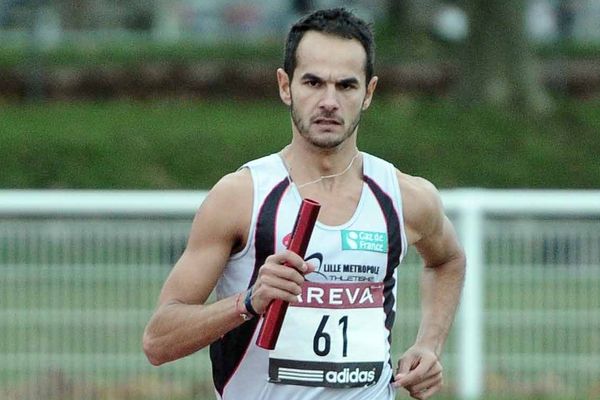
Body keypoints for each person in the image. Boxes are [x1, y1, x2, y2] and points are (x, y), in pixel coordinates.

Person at [143, 8, 465, 400]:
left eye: (346, 86)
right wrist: (247, 302)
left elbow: (447, 260)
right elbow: (158, 340)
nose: (329, 101)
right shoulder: (241, 196)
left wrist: (428, 345)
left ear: (368, 93)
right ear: (285, 86)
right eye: (313, 82)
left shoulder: (405, 197)